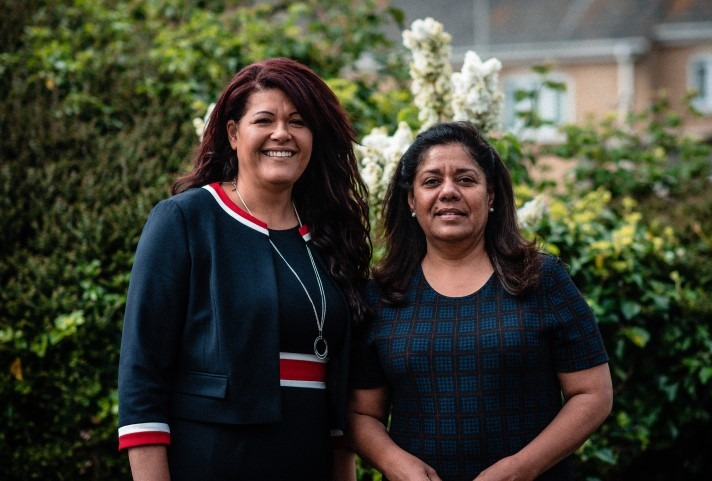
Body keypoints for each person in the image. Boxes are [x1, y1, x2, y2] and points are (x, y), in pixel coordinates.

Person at [118, 57, 371, 481]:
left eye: (298, 122)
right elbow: (142, 371)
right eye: (264, 120)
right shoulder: (186, 220)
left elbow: (339, 392)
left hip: (307, 460)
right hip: (212, 459)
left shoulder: (331, 236)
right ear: (234, 134)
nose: (282, 134)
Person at [348, 121, 612, 481]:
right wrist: (398, 465)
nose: (448, 192)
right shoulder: (381, 294)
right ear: (411, 200)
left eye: (466, 179)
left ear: (491, 196)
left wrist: (521, 468)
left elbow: (593, 394)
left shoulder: (542, 279)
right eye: (431, 181)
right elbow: (363, 414)